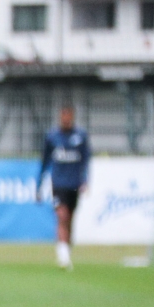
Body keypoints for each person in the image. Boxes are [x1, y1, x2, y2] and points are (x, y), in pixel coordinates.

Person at [38, 105, 91, 270]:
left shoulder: (80, 136)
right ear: (60, 117)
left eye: (69, 116)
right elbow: (45, 162)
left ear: (72, 117)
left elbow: (86, 160)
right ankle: (63, 256)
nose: (66, 119)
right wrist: (39, 185)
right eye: (63, 116)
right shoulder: (52, 136)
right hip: (58, 184)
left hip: (74, 184)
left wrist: (85, 180)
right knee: (62, 215)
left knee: (70, 219)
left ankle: (66, 249)